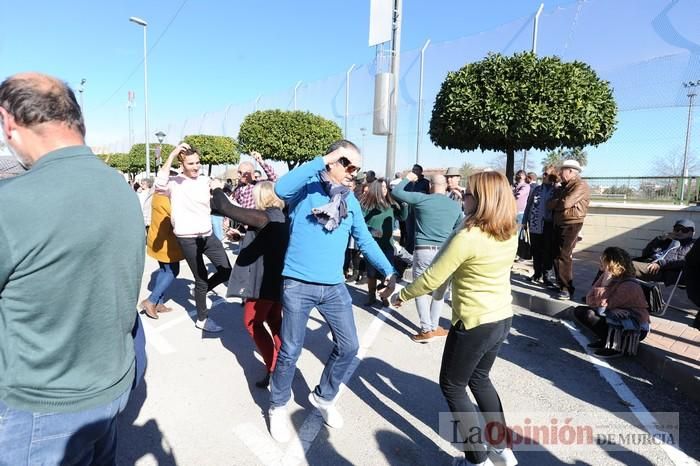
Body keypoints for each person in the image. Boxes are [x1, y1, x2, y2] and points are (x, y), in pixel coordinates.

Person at [0, 72, 145, 464]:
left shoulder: (12, 205)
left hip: (40, 407)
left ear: (8, 121)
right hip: (110, 388)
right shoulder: (121, 188)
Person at [267, 140, 397, 443]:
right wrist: (322, 159)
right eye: (348, 165)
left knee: (350, 346)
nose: (353, 172)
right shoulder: (306, 188)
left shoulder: (349, 201)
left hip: (334, 286)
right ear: (332, 162)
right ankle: (277, 406)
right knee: (290, 350)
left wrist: (389, 271)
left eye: (357, 168)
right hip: (298, 283)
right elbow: (279, 189)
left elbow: (364, 240)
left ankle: (323, 397)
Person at [391, 171, 518, 466]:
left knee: (452, 385)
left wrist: (402, 295)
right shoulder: (509, 230)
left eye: (469, 193)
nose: (462, 196)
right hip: (501, 318)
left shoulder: (469, 236)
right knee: (480, 379)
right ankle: (502, 449)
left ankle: (477, 458)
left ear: (483, 199)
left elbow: (432, 277)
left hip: (475, 322)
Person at [211, 181, 288, 388]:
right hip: (276, 279)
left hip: (263, 282)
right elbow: (267, 240)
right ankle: (283, 367)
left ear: (262, 196)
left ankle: (274, 369)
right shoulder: (281, 216)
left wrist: (215, 187)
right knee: (274, 321)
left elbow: (224, 207)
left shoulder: (265, 217)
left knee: (252, 322)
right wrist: (242, 236)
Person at [155, 143, 232, 333]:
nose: (196, 166)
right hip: (188, 239)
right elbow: (158, 185)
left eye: (198, 162)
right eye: (191, 163)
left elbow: (223, 202)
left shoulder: (205, 180)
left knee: (226, 270)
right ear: (182, 164)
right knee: (201, 279)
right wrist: (172, 154)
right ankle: (202, 319)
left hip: (208, 236)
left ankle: (202, 292)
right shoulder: (175, 182)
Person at [392, 172, 463, 342]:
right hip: (445, 252)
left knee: (420, 289)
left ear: (430, 185)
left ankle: (426, 329)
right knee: (440, 291)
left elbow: (396, 192)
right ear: (446, 186)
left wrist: (408, 178)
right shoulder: (455, 206)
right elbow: (458, 229)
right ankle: (434, 326)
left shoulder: (421, 199)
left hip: (423, 249)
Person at [573, 247, 650, 359]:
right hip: (616, 318)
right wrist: (611, 308)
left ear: (612, 264)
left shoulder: (629, 285)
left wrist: (604, 286)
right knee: (581, 311)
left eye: (603, 259)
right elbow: (589, 299)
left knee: (590, 314)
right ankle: (606, 340)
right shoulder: (607, 276)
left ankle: (616, 347)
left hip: (633, 328)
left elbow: (600, 309)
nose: (600, 261)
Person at [361, 178, 408, 306]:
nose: (384, 190)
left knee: (386, 273)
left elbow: (403, 217)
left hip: (387, 245)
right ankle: (371, 296)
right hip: (372, 246)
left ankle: (383, 295)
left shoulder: (391, 205)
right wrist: (371, 230)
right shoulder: (367, 205)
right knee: (371, 274)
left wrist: (404, 205)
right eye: (382, 187)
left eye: (386, 187)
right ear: (376, 189)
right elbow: (359, 224)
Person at [548, 160, 590, 300]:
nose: (560, 173)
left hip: (572, 223)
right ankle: (561, 284)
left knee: (564, 255)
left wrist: (557, 203)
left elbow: (566, 203)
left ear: (571, 171)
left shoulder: (580, 185)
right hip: (559, 222)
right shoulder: (564, 187)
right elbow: (550, 204)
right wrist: (558, 202)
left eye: (562, 170)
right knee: (555, 254)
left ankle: (567, 288)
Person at [139, 192, 185, 319]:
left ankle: (159, 303)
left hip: (156, 238)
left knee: (164, 270)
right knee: (173, 271)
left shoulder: (155, 195)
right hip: (167, 242)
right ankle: (151, 301)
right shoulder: (169, 199)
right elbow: (176, 218)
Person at [522, 165, 558, 286]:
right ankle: (537, 274)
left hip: (549, 226)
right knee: (536, 250)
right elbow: (528, 205)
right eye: (543, 173)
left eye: (547, 174)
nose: (544, 176)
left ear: (553, 176)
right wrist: (524, 221)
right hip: (535, 225)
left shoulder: (556, 190)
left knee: (547, 251)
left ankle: (547, 276)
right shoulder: (536, 189)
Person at [632, 219, 695, 284]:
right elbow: (645, 253)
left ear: (692, 233)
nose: (679, 232)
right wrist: (660, 239)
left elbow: (682, 260)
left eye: (685, 230)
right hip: (649, 263)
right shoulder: (667, 240)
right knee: (623, 263)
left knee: (628, 266)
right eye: (677, 229)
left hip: (663, 270)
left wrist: (660, 263)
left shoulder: (692, 245)